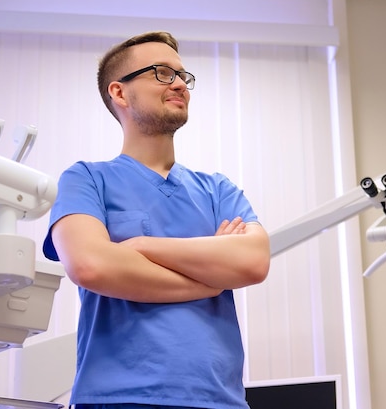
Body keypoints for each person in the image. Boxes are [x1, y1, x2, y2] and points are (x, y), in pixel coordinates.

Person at [43, 31, 270, 409]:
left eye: (183, 76)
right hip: (120, 399)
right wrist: (211, 279)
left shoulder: (217, 190)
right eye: (162, 73)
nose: (180, 84)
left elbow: (253, 262)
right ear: (119, 93)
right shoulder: (86, 179)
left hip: (220, 400)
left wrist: (140, 247)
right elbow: (91, 265)